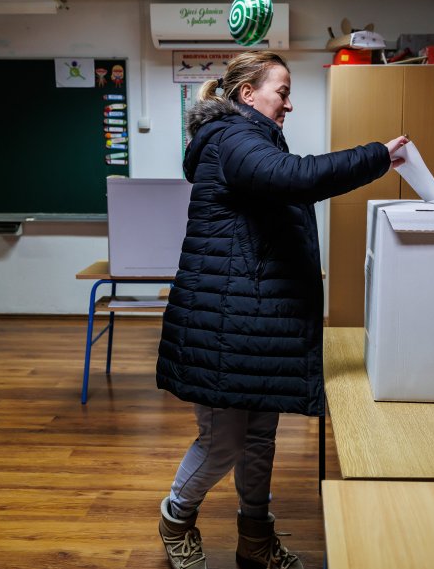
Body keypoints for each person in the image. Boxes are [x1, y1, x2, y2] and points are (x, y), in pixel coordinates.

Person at [156, 50, 408, 569]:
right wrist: (377, 155)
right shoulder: (233, 139)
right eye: (283, 91)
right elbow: (297, 177)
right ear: (247, 94)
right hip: (222, 320)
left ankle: (256, 538)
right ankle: (176, 518)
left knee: (259, 438)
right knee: (223, 441)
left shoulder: (250, 138)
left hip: (252, 316)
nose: (289, 104)